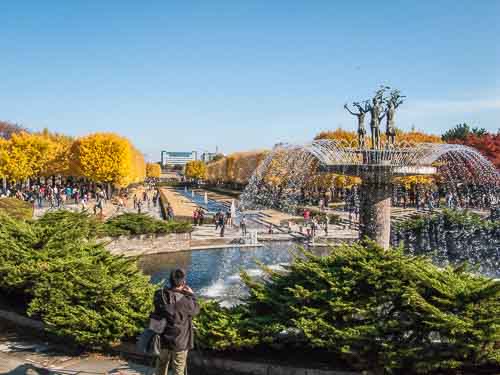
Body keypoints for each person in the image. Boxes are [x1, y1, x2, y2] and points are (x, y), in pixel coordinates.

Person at [153, 269, 199, 375]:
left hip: (162, 338)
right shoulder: (186, 300)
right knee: (178, 369)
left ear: (170, 280)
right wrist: (192, 295)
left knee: (161, 364)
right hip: (180, 341)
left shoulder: (159, 295)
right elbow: (196, 310)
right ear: (183, 282)